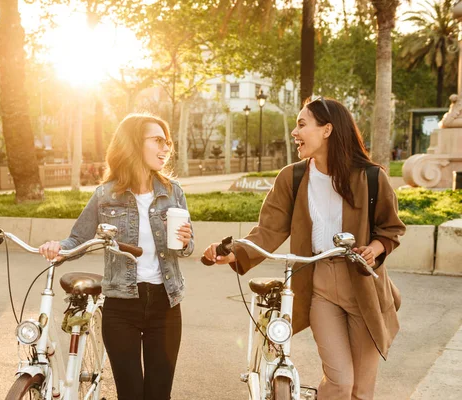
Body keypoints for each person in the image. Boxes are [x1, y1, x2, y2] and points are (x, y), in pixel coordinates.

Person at [203, 97, 405, 400]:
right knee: (339, 383)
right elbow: (269, 229)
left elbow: (390, 229)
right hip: (319, 285)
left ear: (327, 130)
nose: (294, 133)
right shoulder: (293, 178)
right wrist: (234, 251)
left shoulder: (371, 177)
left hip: (364, 287)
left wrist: (374, 249)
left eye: (301, 125)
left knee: (361, 391)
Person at [39, 113, 194, 400]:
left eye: (167, 142)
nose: (165, 148)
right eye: (158, 140)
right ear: (135, 144)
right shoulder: (105, 195)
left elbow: (187, 245)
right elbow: (77, 239)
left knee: (159, 394)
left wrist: (185, 242)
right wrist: (57, 248)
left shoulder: (174, 193)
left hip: (166, 304)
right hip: (122, 307)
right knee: (131, 393)